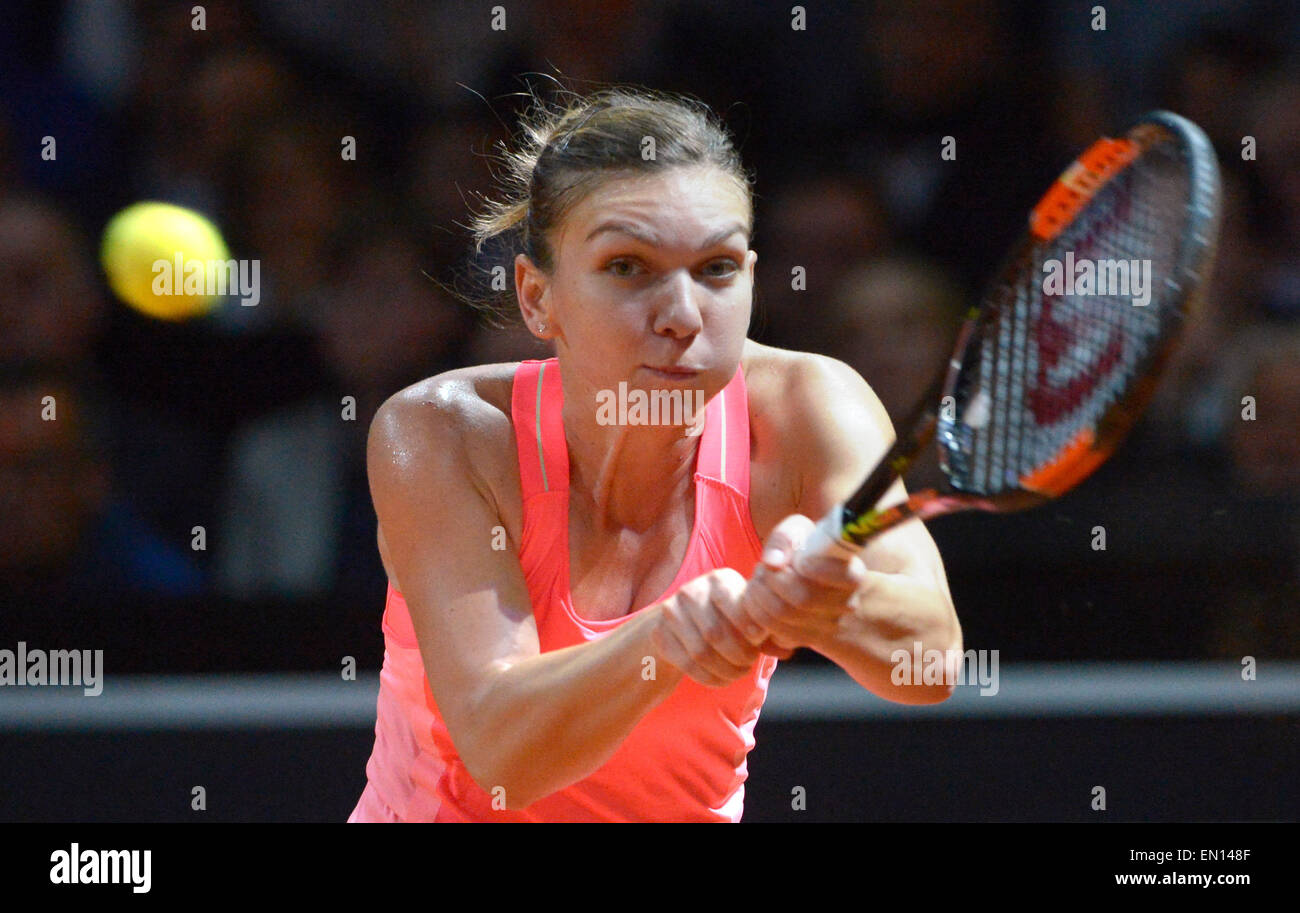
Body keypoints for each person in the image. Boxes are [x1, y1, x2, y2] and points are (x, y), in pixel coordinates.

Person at [349, 87, 960, 823]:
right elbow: (502, 748)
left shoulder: (811, 408)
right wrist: (668, 636)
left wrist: (829, 603)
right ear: (538, 297)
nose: (681, 315)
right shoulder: (442, 433)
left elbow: (932, 659)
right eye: (628, 267)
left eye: (717, 267)